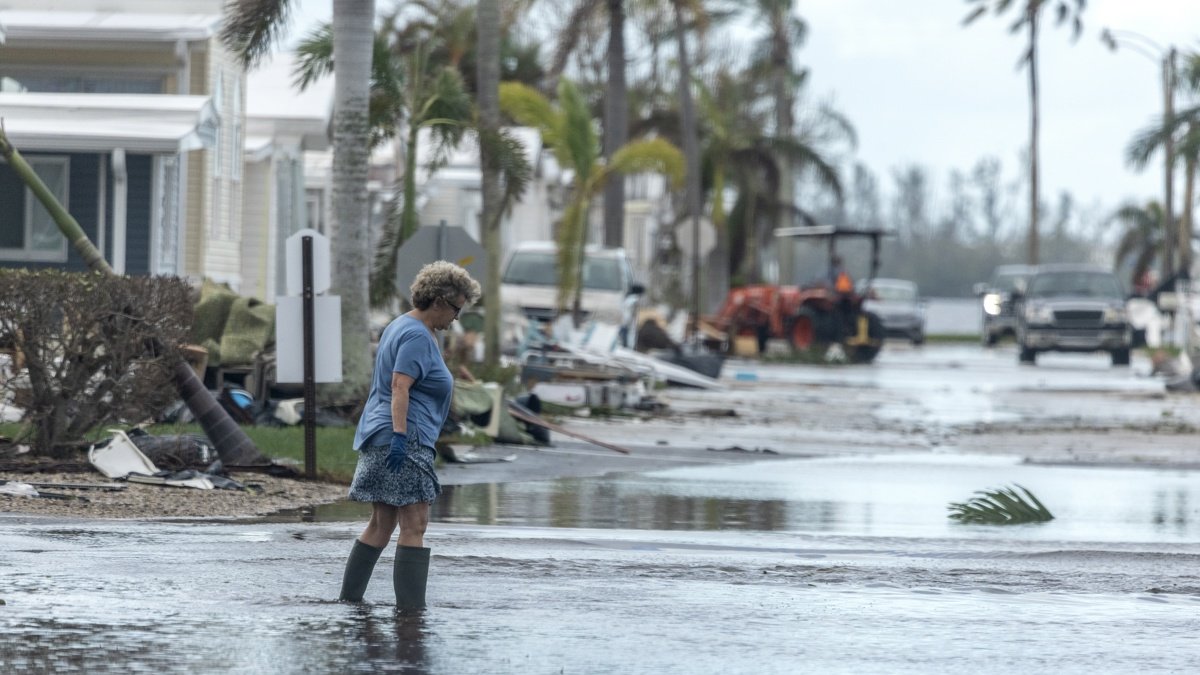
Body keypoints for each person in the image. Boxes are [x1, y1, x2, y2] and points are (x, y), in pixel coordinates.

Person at [338, 260, 481, 609]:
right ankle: (410, 615)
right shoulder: (417, 335)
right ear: (439, 301)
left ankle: (349, 602)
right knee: (415, 522)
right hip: (403, 437)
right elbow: (400, 386)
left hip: (383, 432)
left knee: (381, 523)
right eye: (456, 310)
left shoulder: (401, 325)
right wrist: (401, 436)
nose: (456, 319)